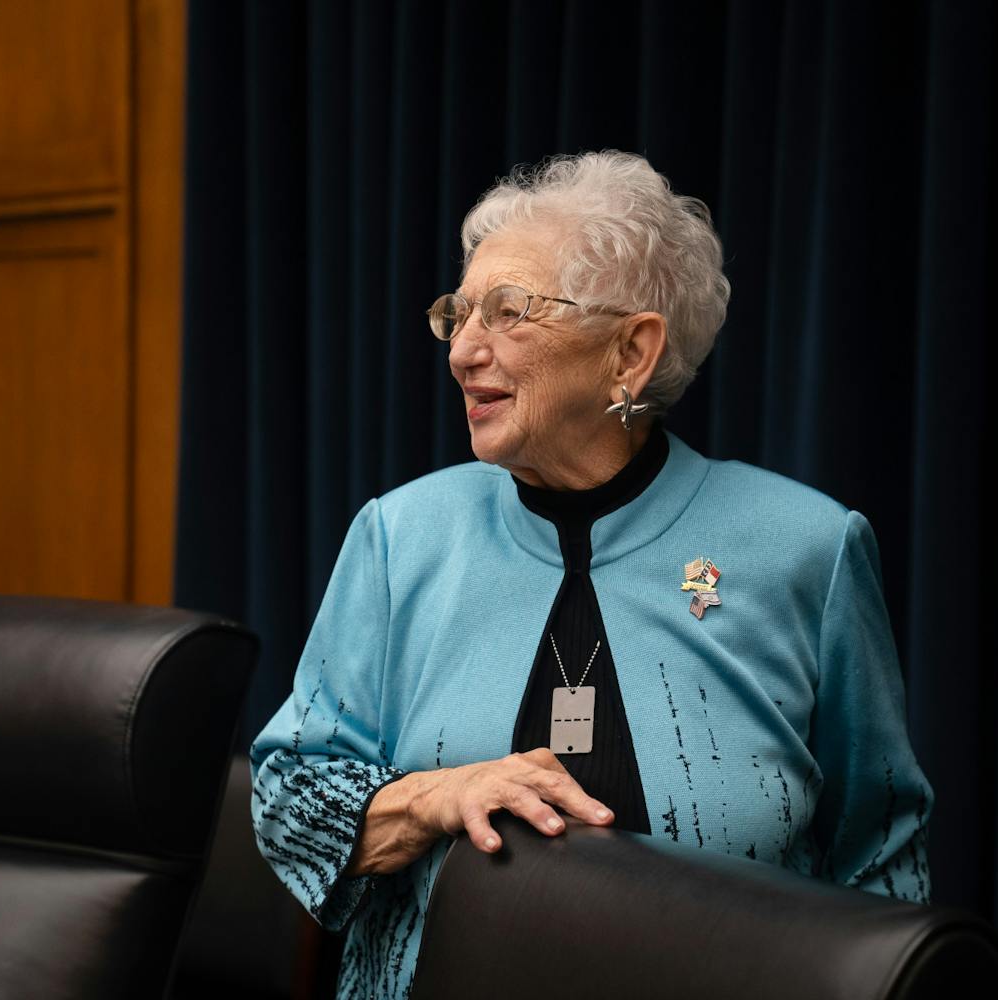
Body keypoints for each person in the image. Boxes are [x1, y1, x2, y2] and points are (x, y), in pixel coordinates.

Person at [251, 151, 932, 1000]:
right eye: (458, 315)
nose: (464, 350)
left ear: (631, 353)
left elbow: (882, 860)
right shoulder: (401, 538)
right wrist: (435, 796)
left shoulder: (806, 549)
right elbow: (288, 798)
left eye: (508, 312)